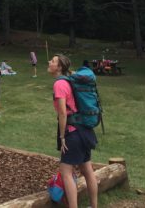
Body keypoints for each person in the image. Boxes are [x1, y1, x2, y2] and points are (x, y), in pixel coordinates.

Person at [47, 54, 98, 208]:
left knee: (66, 172)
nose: (49, 62)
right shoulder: (70, 80)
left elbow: (62, 113)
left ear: (60, 67)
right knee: (87, 169)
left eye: (53, 61)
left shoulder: (60, 84)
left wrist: (62, 137)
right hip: (84, 130)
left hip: (72, 132)